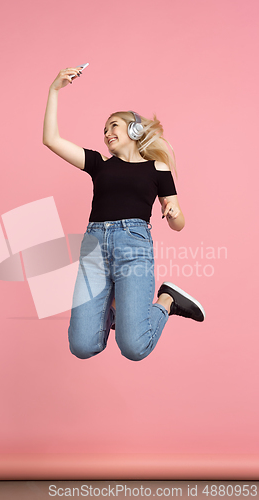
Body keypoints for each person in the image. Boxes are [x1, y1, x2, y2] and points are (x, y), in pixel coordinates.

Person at [43, 66, 205, 362]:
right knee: (82, 346)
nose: (107, 133)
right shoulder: (99, 163)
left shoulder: (157, 169)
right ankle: (117, 307)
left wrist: (174, 212)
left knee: (134, 346)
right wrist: (54, 90)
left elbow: (179, 224)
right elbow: (51, 140)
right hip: (94, 248)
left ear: (134, 130)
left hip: (134, 246)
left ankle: (167, 300)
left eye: (114, 126)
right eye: (104, 130)